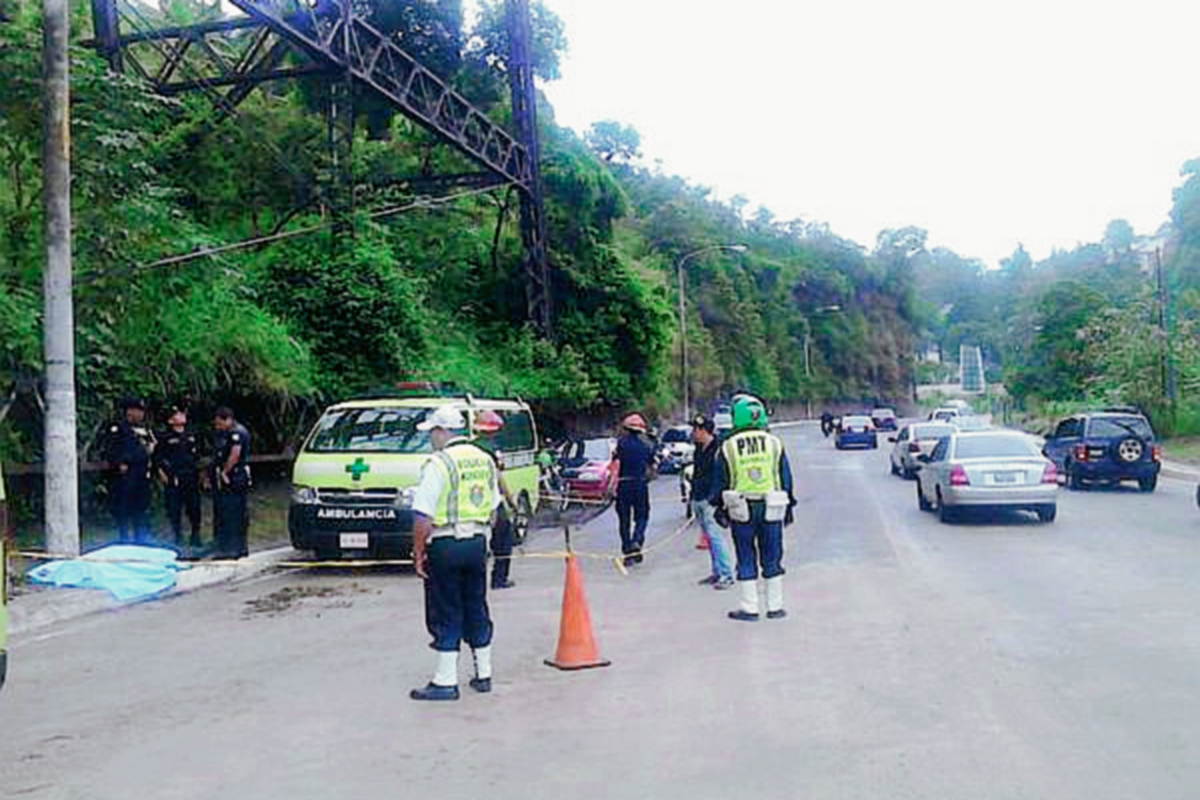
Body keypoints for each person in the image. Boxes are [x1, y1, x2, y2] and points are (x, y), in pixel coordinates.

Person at [409, 405, 500, 701]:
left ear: (442, 431)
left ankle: (445, 681)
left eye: (433, 432)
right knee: (476, 604)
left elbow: (423, 515)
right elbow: (494, 507)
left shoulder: (440, 463)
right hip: (477, 542)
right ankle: (483, 674)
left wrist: (418, 552)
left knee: (445, 608)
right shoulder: (484, 460)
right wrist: (485, 540)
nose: (431, 438)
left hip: (446, 543)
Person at [712, 394, 796, 621]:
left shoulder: (728, 446)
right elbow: (785, 478)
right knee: (773, 555)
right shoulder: (774, 443)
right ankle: (775, 606)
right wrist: (790, 508)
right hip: (772, 506)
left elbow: (720, 480)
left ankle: (750, 608)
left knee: (745, 555)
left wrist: (718, 508)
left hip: (741, 507)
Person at [689, 413, 735, 590]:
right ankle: (716, 571)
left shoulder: (718, 450)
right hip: (699, 498)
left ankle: (726, 574)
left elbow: (721, 476)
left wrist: (714, 498)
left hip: (711, 500)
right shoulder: (699, 449)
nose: (693, 433)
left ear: (703, 430)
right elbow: (697, 474)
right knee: (709, 537)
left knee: (715, 537)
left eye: (695, 429)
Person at [474, 409, 517, 590]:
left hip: (473, 501)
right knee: (503, 541)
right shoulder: (492, 450)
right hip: (492, 501)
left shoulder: (470, 446)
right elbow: (498, 478)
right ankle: (499, 579)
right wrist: (511, 501)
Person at [105, 397, 156, 544]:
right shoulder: (119, 427)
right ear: (130, 411)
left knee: (141, 507)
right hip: (126, 474)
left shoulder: (145, 429)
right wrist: (119, 463)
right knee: (123, 507)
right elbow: (111, 448)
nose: (140, 414)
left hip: (142, 473)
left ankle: (141, 536)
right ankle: (124, 536)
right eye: (137, 411)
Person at [154, 405, 202, 553]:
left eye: (182, 413)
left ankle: (195, 535)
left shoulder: (191, 435)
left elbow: (197, 456)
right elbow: (158, 458)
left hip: (191, 476)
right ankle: (178, 536)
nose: (181, 416)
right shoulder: (165, 437)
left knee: (194, 507)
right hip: (174, 477)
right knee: (174, 508)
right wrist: (163, 475)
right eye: (177, 414)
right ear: (170, 420)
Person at [210, 407, 251, 560]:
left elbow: (235, 454)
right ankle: (225, 546)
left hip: (234, 477)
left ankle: (233, 548)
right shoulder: (226, 433)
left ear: (227, 419)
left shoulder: (237, 433)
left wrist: (225, 471)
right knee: (224, 513)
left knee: (233, 513)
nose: (218, 427)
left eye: (220, 424)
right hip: (227, 477)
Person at [614, 412, 654, 567]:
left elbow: (615, 465)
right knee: (642, 516)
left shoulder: (620, 444)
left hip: (623, 484)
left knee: (624, 520)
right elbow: (652, 464)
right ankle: (637, 540)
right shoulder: (646, 445)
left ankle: (627, 552)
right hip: (640, 484)